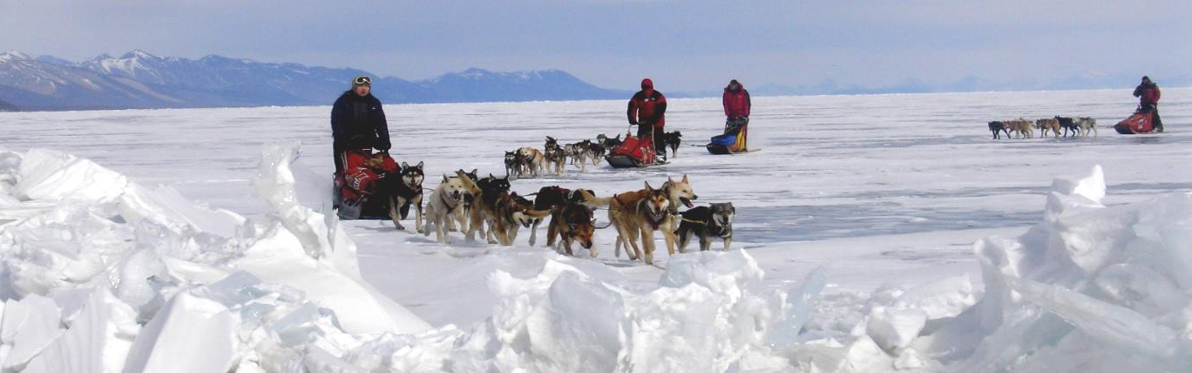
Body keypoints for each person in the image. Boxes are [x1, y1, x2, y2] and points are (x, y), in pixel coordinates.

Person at [331, 75, 391, 175]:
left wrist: (385, 140)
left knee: (371, 165)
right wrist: (342, 139)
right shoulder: (343, 102)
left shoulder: (374, 103)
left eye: (366, 86)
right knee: (343, 169)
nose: (363, 89)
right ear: (355, 87)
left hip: (367, 139)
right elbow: (337, 123)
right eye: (360, 86)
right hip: (346, 140)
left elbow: (381, 124)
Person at [626, 78, 668, 161]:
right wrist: (633, 119)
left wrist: (632, 119)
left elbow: (632, 107)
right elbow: (661, 109)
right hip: (649, 122)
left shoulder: (642, 95)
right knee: (651, 139)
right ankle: (654, 155)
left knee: (648, 139)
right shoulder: (657, 95)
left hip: (652, 123)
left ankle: (658, 155)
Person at [722, 79, 751, 151]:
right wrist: (728, 115)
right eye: (732, 85)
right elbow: (726, 105)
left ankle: (742, 146)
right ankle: (729, 145)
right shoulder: (726, 93)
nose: (733, 87)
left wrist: (745, 115)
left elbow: (746, 104)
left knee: (742, 131)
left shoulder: (743, 92)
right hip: (731, 116)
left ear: (737, 85)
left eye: (734, 85)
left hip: (742, 116)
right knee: (730, 131)